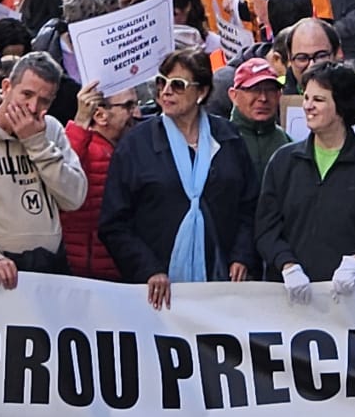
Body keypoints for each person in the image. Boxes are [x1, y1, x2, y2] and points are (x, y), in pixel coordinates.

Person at [100, 51, 259, 308]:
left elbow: (249, 205)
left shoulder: (228, 138)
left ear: (202, 92)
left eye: (178, 85)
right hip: (157, 292)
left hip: (223, 283)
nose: (166, 92)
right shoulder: (136, 145)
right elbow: (114, 223)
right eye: (161, 82)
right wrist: (148, 269)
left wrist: (242, 255)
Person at [254, 62, 355, 296]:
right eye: (306, 98)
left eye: (319, 100)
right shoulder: (284, 162)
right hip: (290, 303)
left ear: (342, 106)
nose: (308, 106)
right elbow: (266, 228)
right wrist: (286, 263)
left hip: (353, 305)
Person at [0, 53, 89, 286]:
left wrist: (37, 145)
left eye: (45, 101)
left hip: (50, 265)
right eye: (27, 95)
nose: (33, 108)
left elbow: (74, 197)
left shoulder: (50, 129)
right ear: (6, 87)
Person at [62, 81, 138, 281]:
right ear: (100, 115)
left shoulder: (124, 151)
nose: (137, 113)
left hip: (113, 272)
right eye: (128, 106)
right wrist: (79, 122)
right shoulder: (86, 149)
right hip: (84, 275)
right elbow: (61, 177)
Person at [227, 58, 291, 190]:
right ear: (234, 95)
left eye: (270, 90)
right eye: (254, 90)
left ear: (279, 95)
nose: (263, 98)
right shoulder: (219, 142)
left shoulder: (287, 144)